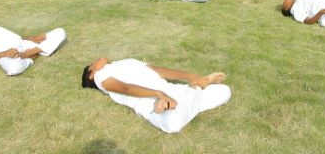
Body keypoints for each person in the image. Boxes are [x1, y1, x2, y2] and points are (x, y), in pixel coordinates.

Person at [81, 57, 230, 133]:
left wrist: (192, 76)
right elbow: (126, 88)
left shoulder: (125, 62)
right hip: (151, 103)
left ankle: (189, 98)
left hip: (172, 90)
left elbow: (159, 71)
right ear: (91, 74)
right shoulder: (100, 76)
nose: (97, 59)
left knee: (225, 91)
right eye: (92, 63)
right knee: (172, 124)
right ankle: (196, 90)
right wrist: (158, 94)